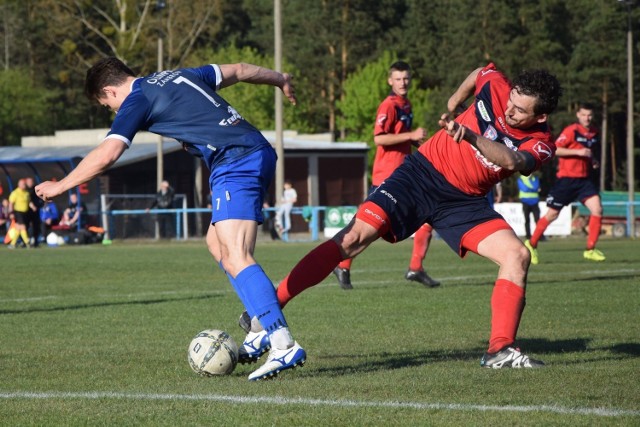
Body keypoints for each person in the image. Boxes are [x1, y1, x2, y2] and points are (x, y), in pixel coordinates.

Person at [250, 63, 562, 369]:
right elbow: (481, 72)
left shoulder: (543, 144)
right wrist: (455, 102)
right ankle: (268, 309)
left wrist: (467, 135)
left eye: (521, 110)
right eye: (511, 102)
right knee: (354, 238)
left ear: (541, 115)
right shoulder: (497, 86)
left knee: (516, 255)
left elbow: (511, 161)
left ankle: (500, 349)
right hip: (419, 176)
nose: (509, 110)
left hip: (464, 202)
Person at [35, 57, 305, 381]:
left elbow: (108, 154)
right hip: (248, 151)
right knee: (217, 245)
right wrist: (279, 78)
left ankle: (283, 342)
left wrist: (61, 185)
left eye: (108, 104)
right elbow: (241, 70)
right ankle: (261, 327)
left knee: (237, 254)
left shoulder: (137, 98)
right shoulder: (180, 75)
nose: (113, 110)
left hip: (236, 159)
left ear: (109, 90)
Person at [333, 61, 440, 290]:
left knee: (427, 214)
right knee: (370, 225)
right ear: (390, 81)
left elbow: (397, 136)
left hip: (405, 173)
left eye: (406, 78)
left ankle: (415, 267)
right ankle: (342, 263)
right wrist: (410, 134)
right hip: (387, 175)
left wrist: (412, 140)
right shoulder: (389, 106)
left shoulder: (406, 104)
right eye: (398, 78)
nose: (403, 82)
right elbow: (379, 138)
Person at [525, 103, 604, 264]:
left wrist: (593, 160)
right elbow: (555, 150)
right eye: (584, 115)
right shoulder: (571, 131)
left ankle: (590, 249)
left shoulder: (595, 133)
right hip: (566, 180)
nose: (587, 118)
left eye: (589, 115)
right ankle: (531, 244)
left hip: (584, 181)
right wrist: (578, 152)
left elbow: (589, 153)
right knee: (552, 215)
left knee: (597, 209)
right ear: (578, 115)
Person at [7, 179, 32, 248]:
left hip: (25, 213)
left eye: (25, 184)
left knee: (18, 228)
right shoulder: (15, 193)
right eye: (23, 184)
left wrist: (33, 206)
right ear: (19, 185)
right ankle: (27, 242)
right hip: (18, 212)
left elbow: (29, 202)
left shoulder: (26, 193)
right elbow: (11, 203)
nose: (24, 185)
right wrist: (11, 213)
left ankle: (12, 244)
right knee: (23, 227)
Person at [517, 172, 540, 240]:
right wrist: (534, 189)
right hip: (525, 201)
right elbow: (524, 189)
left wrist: (530, 187)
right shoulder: (521, 178)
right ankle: (528, 235)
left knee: (537, 219)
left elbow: (535, 187)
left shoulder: (535, 178)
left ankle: (539, 236)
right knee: (527, 220)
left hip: (535, 202)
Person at [25, 177, 44, 246]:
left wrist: (39, 205)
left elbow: (42, 199)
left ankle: (36, 241)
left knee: (36, 226)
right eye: (28, 182)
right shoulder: (24, 190)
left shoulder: (36, 189)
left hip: (35, 211)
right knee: (25, 226)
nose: (30, 183)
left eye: (31, 182)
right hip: (26, 211)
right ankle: (26, 241)